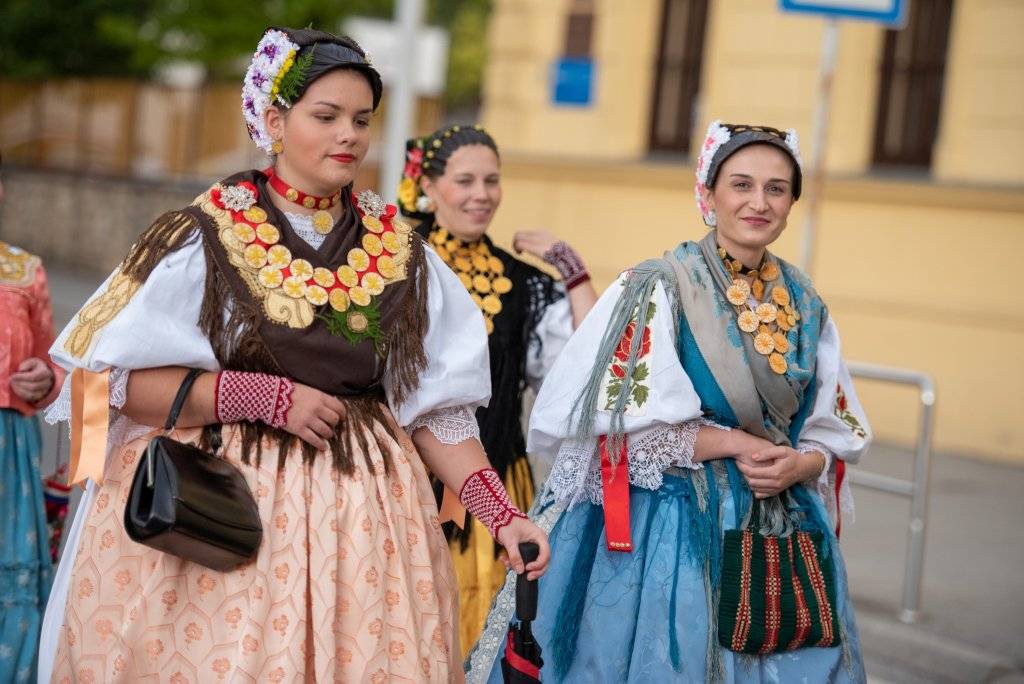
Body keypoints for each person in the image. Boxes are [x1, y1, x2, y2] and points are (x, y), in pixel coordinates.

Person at [38, 27, 549, 683]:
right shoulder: (202, 234)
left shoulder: (403, 252)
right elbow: (109, 381)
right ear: (275, 120)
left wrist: (501, 515)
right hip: (219, 517)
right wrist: (254, 395)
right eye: (326, 116)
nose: (350, 136)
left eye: (362, 120)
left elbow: (438, 414)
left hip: (362, 527)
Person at [466, 122, 871, 683]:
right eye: (741, 184)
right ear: (708, 196)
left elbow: (835, 422)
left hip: (780, 530)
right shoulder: (658, 286)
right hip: (675, 530)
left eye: (777, 188)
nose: (759, 202)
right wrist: (737, 443)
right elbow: (612, 426)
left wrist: (804, 463)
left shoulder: (806, 303)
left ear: (792, 201)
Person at [397, 125, 597, 654]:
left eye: (491, 180)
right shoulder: (394, 267)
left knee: (488, 634)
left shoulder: (523, 283)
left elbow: (589, 368)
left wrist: (571, 271)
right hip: (408, 483)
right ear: (429, 187)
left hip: (496, 488)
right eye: (464, 180)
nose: (481, 194)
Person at [0, 153, 65, 683]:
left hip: (10, 456)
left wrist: (42, 379)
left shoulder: (24, 271)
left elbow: (52, 364)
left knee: (9, 579)